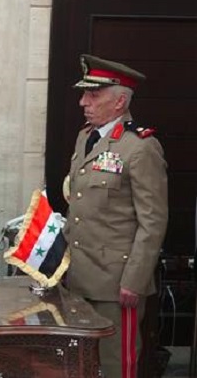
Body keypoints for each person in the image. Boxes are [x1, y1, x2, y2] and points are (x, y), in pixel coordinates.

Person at [63, 54, 168, 378]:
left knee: (114, 365)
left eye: (93, 95)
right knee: (79, 363)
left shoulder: (140, 147)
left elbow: (153, 221)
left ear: (120, 101)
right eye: (85, 94)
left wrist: (134, 280)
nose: (83, 102)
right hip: (78, 277)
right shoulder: (86, 137)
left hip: (115, 282)